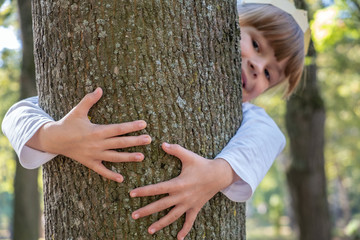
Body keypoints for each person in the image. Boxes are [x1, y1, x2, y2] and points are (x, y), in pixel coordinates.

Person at [1, 0, 309, 240]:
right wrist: (56, 137)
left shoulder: (247, 117)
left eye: (269, 74)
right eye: (255, 44)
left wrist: (217, 174)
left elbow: (269, 138)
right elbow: (16, 114)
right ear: (227, 24)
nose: (257, 67)